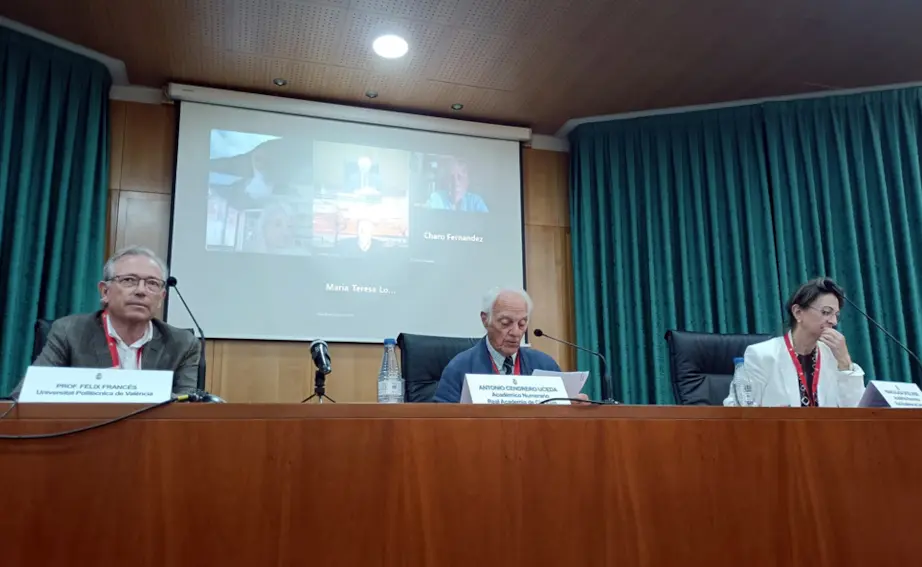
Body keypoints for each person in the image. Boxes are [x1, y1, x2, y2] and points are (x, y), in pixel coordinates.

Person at [12, 246, 200, 397]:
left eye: (152, 284)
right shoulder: (70, 332)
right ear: (104, 291)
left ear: (161, 297)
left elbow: (188, 409)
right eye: (129, 280)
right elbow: (24, 397)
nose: (141, 291)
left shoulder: (182, 343)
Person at [724, 277, 865, 407]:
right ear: (798, 312)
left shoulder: (833, 356)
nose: (833, 321)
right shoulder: (761, 355)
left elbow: (855, 412)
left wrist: (845, 363)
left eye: (836, 315)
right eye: (826, 312)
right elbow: (737, 410)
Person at [434, 288, 586, 403]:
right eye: (506, 323)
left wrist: (574, 407)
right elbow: (440, 421)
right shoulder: (460, 367)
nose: (516, 332)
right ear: (485, 320)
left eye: (522, 323)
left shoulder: (545, 365)